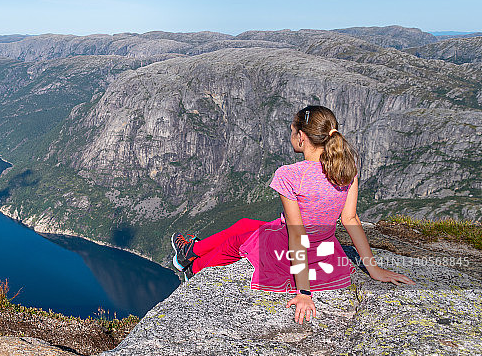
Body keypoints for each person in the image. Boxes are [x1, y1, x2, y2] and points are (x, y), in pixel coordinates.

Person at [171, 105, 415, 324]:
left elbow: (297, 233)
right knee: (245, 223)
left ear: (301, 137)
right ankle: (189, 252)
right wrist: (373, 269)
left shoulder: (290, 175)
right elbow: (350, 219)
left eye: (292, 131)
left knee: (237, 242)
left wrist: (304, 292)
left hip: (289, 251)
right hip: (323, 249)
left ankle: (194, 268)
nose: (290, 136)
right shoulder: (346, 171)